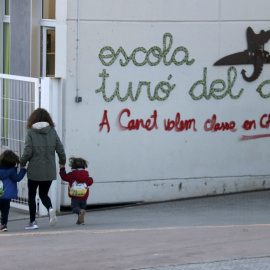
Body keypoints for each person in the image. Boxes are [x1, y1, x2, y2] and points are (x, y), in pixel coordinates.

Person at [20, 108, 66, 230]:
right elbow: (60, 150)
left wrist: (22, 163)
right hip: (49, 169)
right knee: (44, 194)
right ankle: (50, 209)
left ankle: (33, 222)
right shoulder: (52, 131)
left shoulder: (30, 132)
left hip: (34, 169)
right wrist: (62, 162)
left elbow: (27, 152)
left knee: (32, 195)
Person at [60, 157, 93, 225]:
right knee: (82, 208)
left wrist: (62, 168)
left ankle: (80, 214)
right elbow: (90, 182)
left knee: (75, 208)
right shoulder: (86, 175)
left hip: (75, 195)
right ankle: (80, 221)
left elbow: (64, 177)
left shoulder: (72, 174)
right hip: (84, 195)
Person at [0, 150, 27, 232]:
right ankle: (4, 225)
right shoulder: (12, 171)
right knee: (5, 210)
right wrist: (23, 170)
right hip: (6, 194)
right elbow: (17, 178)